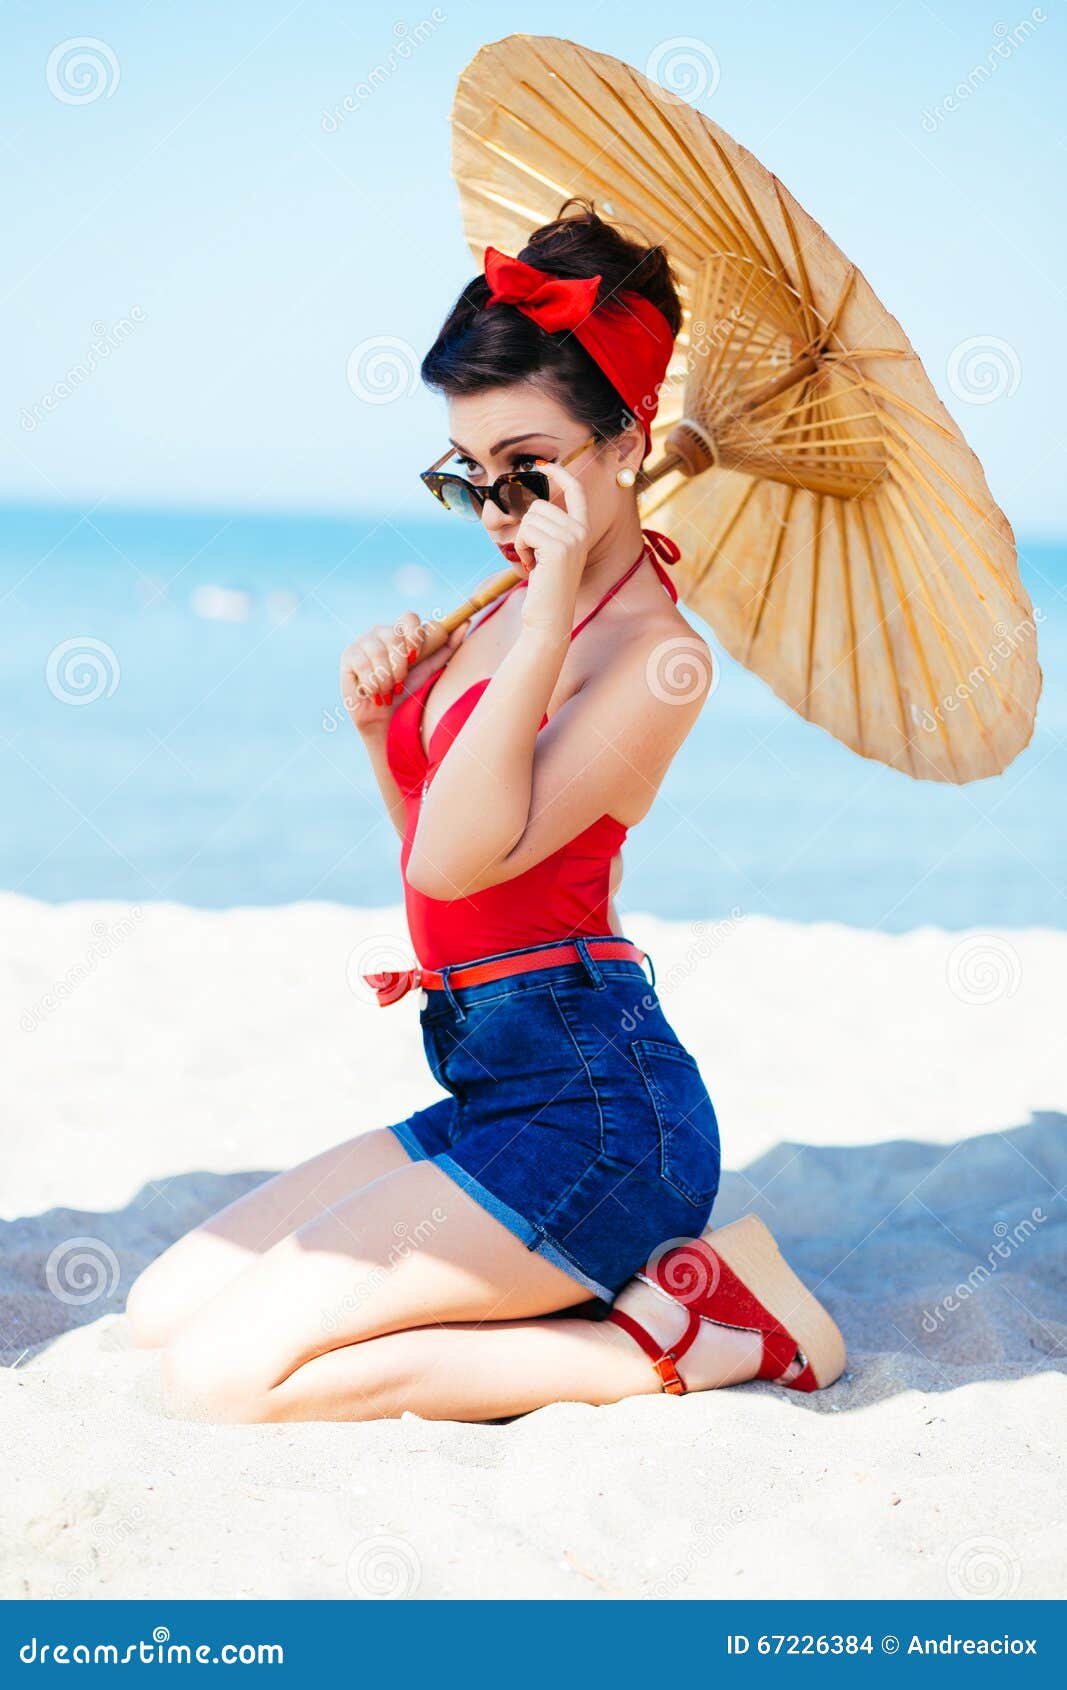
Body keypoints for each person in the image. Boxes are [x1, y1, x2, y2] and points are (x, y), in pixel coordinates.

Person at [126, 201, 845, 1421]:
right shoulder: (512, 608)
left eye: (529, 470)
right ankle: (570, 1285)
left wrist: (555, 598)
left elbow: (463, 862)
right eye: (472, 477)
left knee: (220, 1383)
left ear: (624, 444)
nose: (503, 514)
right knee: (167, 1308)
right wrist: (380, 730)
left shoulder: (656, 659)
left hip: (598, 1115)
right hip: (491, 1079)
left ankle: (699, 1337)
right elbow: (434, 849)